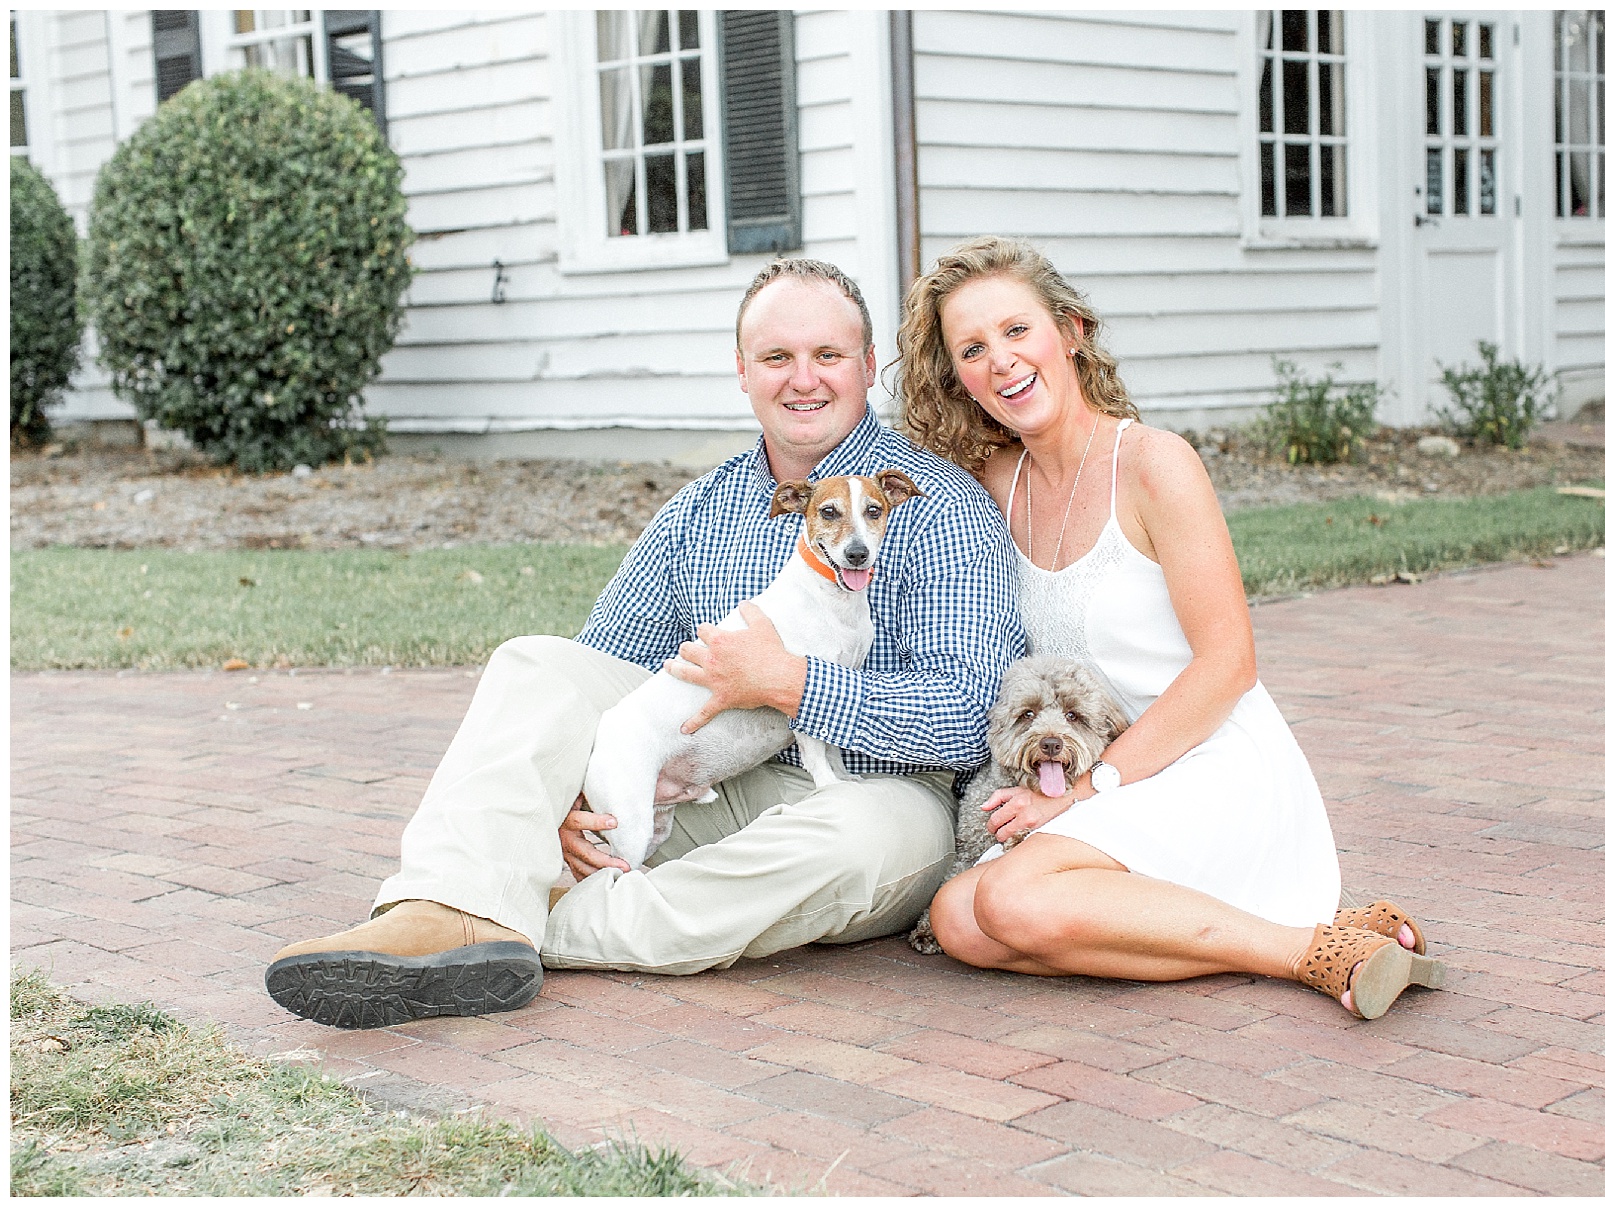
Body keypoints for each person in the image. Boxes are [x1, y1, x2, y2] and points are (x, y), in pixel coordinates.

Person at [266, 258, 1026, 1028]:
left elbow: (967, 716)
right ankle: (443, 906)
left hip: (868, 790)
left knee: (857, 847)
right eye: (776, 358)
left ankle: (515, 926)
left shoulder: (939, 507)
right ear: (742, 371)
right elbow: (602, 672)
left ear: (867, 367)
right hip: (701, 772)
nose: (804, 380)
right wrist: (564, 795)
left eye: (828, 356)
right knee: (535, 665)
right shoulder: (697, 513)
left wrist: (791, 682)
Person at [896, 237, 1442, 1020]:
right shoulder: (987, 487)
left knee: (1011, 901)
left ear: (1071, 331)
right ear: (957, 378)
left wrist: (1085, 789)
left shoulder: (1156, 464)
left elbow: (1229, 665)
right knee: (958, 918)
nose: (1003, 362)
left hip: (1208, 756)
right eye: (973, 348)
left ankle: (1308, 953)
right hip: (1100, 778)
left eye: (1018, 331)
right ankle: (1307, 927)